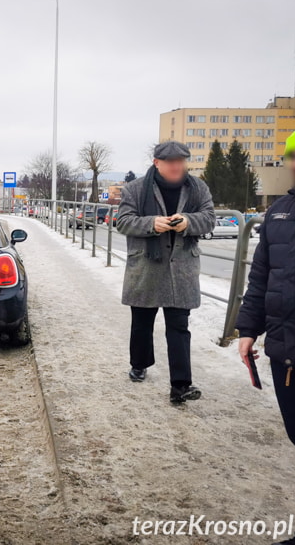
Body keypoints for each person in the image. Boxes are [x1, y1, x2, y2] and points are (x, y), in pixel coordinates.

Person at [236, 126, 295, 545]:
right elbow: (261, 276)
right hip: (287, 350)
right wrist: (247, 329)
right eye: (293, 156)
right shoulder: (280, 212)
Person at [117, 141, 216, 403]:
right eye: (170, 161)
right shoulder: (135, 189)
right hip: (147, 266)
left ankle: (181, 386)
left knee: (179, 327)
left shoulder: (197, 188)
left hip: (181, 268)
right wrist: (152, 223)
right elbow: (123, 221)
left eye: (181, 161)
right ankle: (140, 363)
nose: (176, 166)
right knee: (142, 323)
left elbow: (209, 217)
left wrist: (188, 221)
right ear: (157, 163)